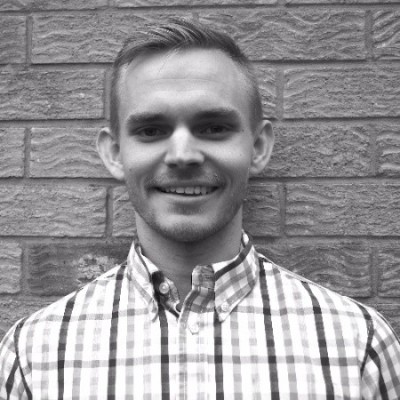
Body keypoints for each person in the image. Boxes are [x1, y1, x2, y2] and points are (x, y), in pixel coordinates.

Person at [1, 19, 399, 400]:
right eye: (151, 130)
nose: (183, 155)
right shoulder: (34, 357)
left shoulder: (358, 347)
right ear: (115, 153)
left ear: (258, 147)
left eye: (213, 127)